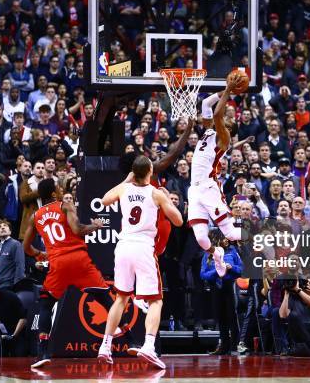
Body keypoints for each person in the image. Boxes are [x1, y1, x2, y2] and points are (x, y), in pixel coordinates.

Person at [97, 156, 183, 369]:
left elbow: (104, 199)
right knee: (156, 301)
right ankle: (149, 346)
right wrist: (166, 198)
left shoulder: (124, 189)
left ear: (132, 172)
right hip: (143, 247)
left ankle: (105, 346)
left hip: (123, 245)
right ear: (150, 170)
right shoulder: (155, 193)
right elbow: (179, 221)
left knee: (120, 298)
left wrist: (126, 180)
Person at [23, 178, 108, 368]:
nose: (61, 190)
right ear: (54, 194)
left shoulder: (35, 216)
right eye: (59, 188)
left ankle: (43, 353)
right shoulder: (65, 205)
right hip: (78, 259)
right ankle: (132, 340)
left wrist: (39, 253)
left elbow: (26, 246)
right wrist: (96, 226)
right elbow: (77, 230)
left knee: (46, 304)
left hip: (57, 263)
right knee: (107, 301)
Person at [188, 74, 244, 277]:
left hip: (208, 187)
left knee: (229, 233)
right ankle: (217, 254)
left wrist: (229, 89)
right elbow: (206, 103)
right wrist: (223, 91)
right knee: (202, 238)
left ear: (229, 128)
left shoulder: (224, 136)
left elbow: (218, 112)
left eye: (230, 120)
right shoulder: (211, 130)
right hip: (194, 189)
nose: (229, 116)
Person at [0, 220, 25, 291]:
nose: (3, 228)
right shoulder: (0, 245)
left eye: (5, 226)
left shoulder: (15, 244)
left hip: (9, 285)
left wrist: (17, 285)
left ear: (10, 232)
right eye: (0, 227)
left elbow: (20, 266)